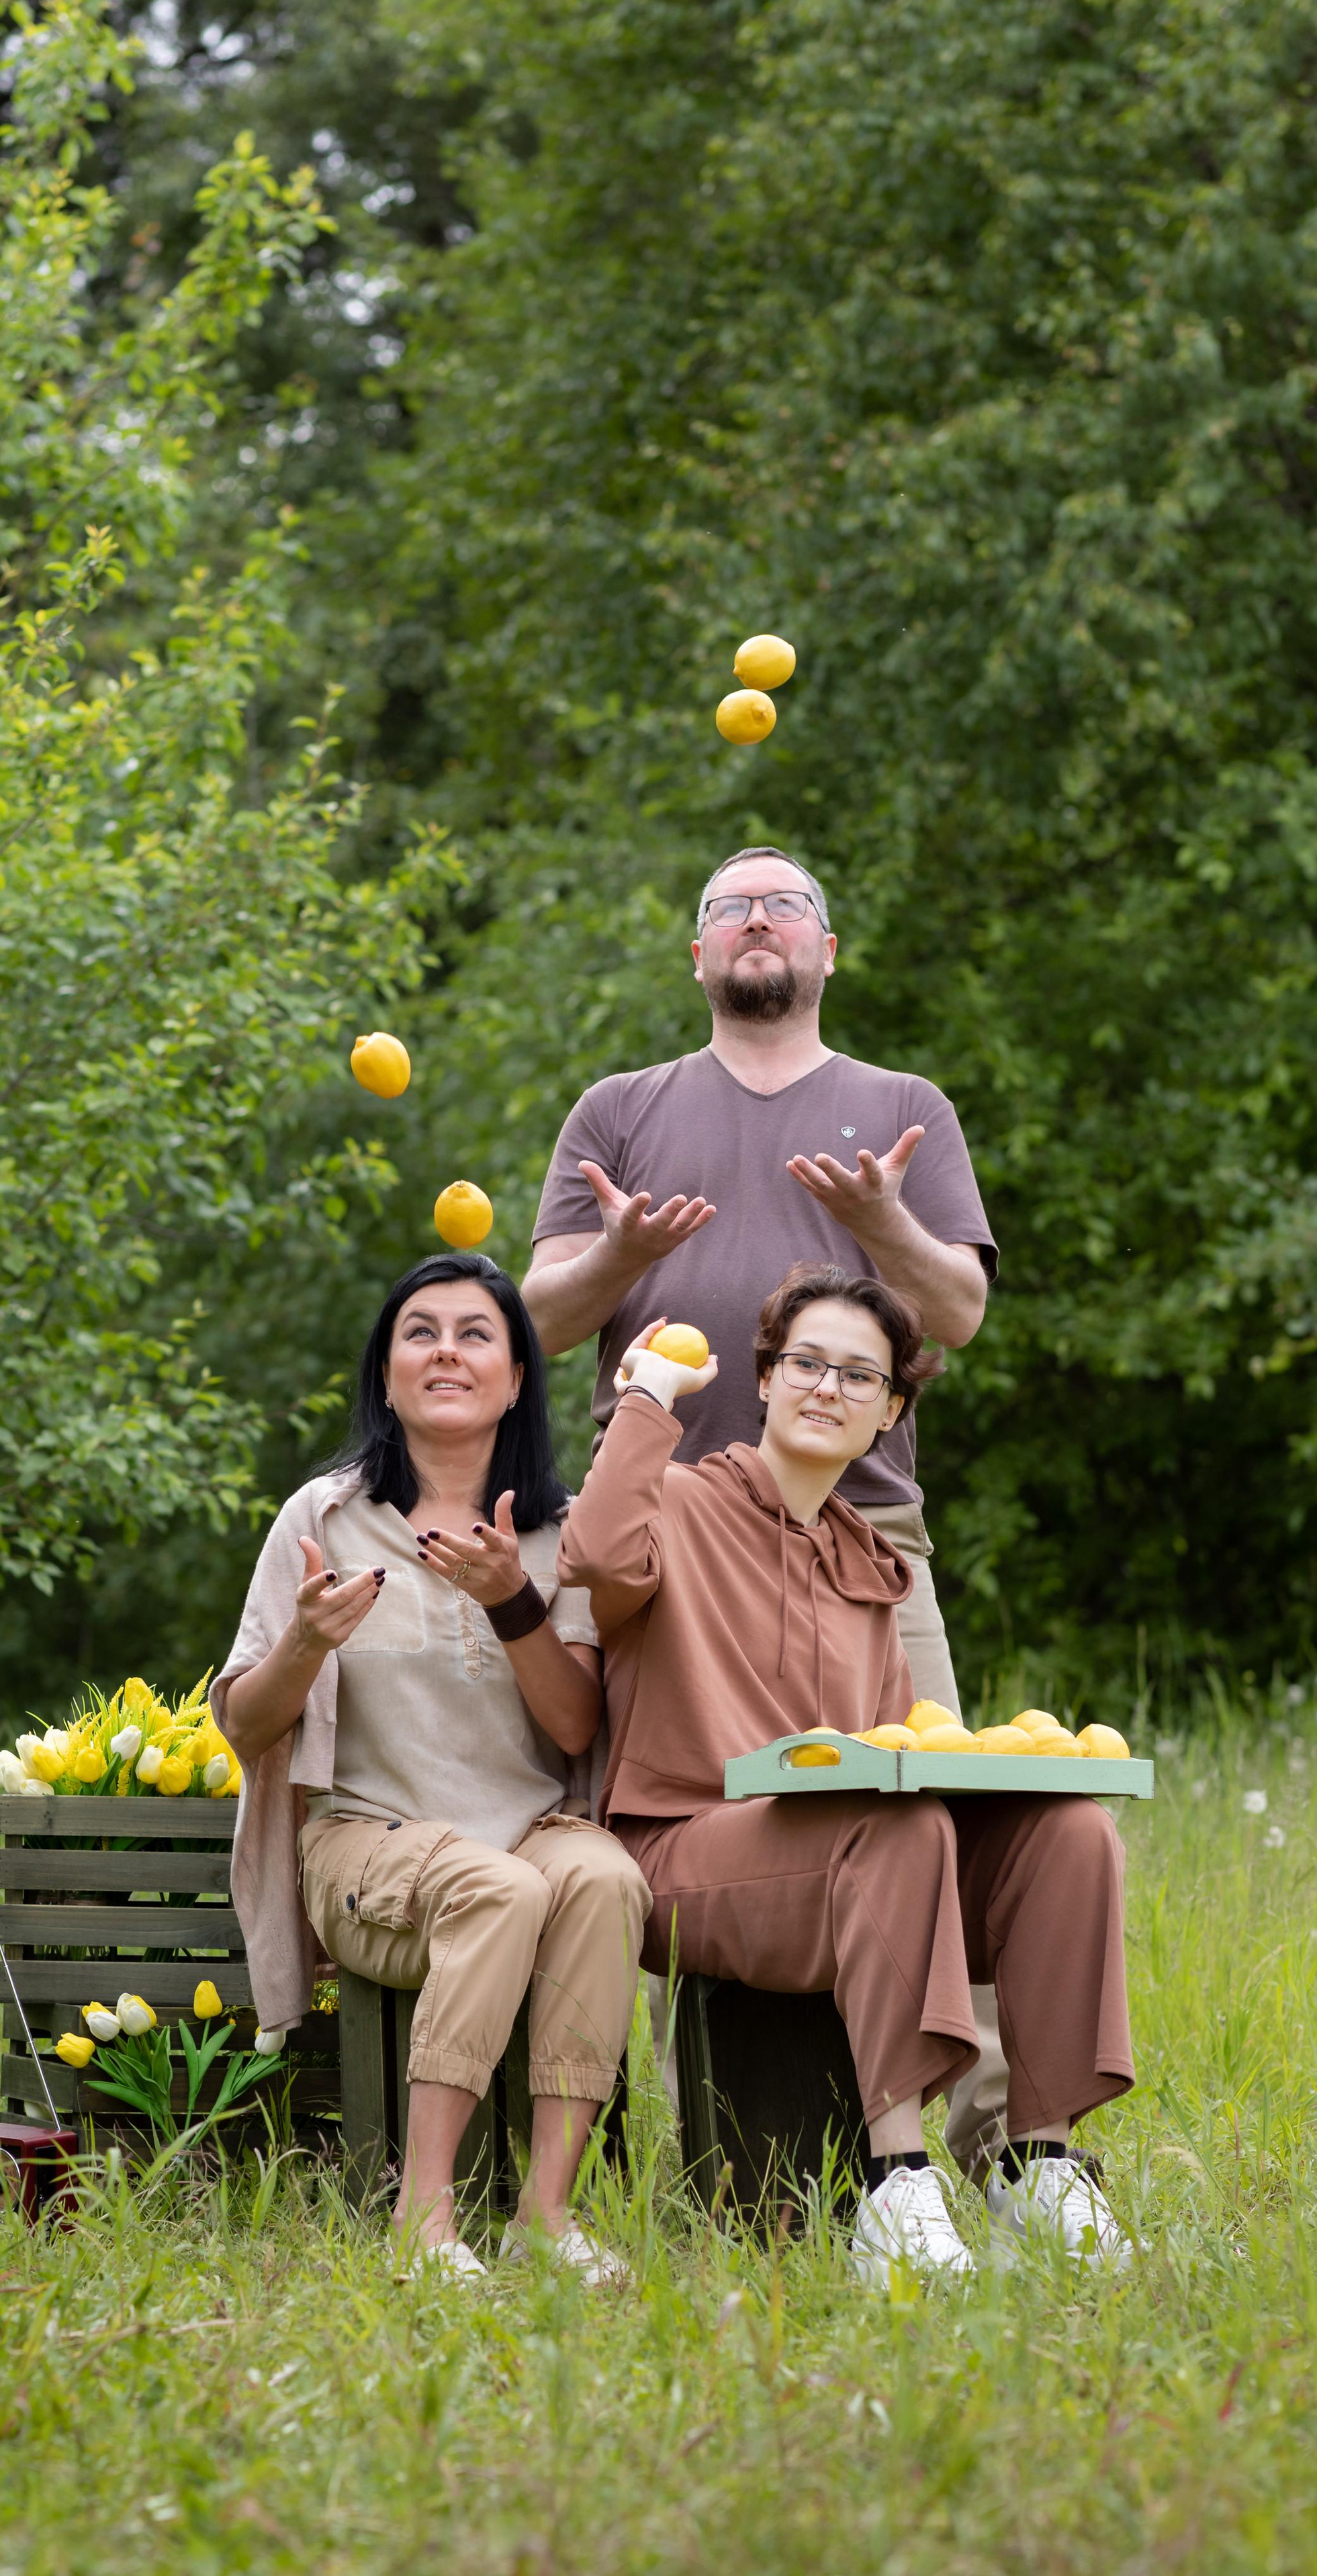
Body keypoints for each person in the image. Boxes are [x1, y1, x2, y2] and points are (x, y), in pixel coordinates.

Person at [526, 843, 1008, 2175]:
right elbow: (539, 1320)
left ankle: (999, 2151)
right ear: (697, 954)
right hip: (660, 1535)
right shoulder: (617, 1110)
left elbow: (958, 1312)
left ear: (824, 950)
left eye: (784, 904)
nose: (756, 919)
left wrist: (886, 1223)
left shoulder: (902, 1106)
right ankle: (690, 2152)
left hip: (866, 1536)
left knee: (942, 1808)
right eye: (729, 907)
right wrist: (620, 1253)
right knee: (664, 1832)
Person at [557, 1262, 1135, 2281]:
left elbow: (892, 1754)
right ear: (766, 1379)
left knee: (1071, 1830)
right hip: (681, 1858)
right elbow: (596, 1559)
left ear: (891, 1412)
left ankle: (1038, 2166)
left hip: (845, 1857)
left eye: (859, 1375)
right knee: (892, 1825)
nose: (828, 1387)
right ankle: (895, 2182)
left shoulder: (870, 1566)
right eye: (806, 1363)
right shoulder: (682, 1501)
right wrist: (648, 1393)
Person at [214, 1252, 650, 2284]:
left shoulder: (559, 1532)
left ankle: (545, 2215)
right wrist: (305, 1643)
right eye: (421, 1332)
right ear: (387, 1371)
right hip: (367, 1847)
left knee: (604, 1876)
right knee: (499, 1890)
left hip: (527, 1836)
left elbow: (575, 1726)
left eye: (474, 1334)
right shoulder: (323, 1519)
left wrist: (513, 1601)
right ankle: (424, 2216)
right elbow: (243, 1723)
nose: (446, 1351)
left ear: (516, 1376)